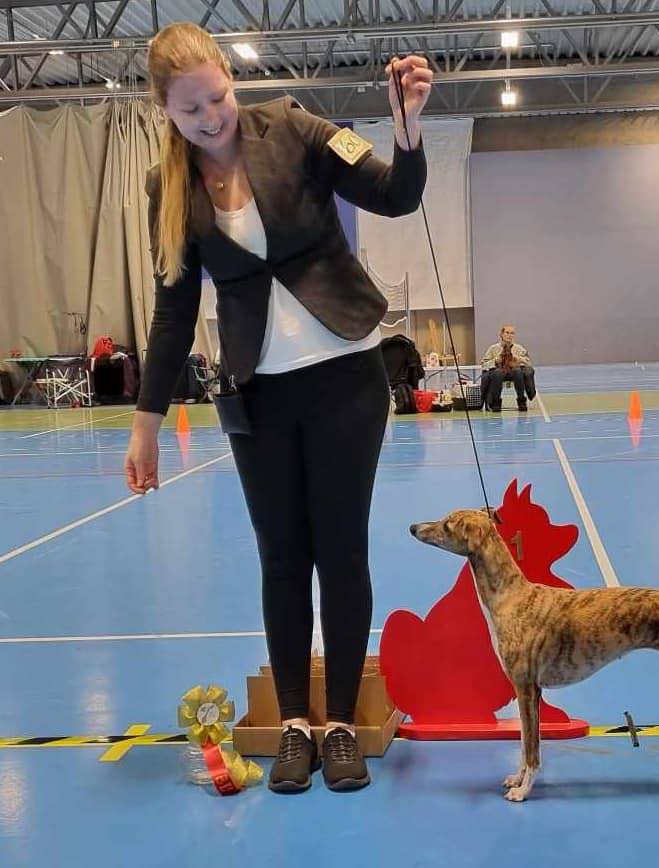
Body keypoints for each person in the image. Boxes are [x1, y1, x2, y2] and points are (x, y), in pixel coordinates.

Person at [123, 21, 432, 793]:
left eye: (217, 97)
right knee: (282, 557)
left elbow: (396, 196)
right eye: (191, 109)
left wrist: (406, 131)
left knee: (342, 552)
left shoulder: (293, 127)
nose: (211, 117)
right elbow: (171, 314)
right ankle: (295, 724)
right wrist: (146, 425)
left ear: (231, 80)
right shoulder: (168, 188)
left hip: (347, 379)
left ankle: (340, 727)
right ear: (165, 110)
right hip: (255, 394)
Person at [480, 325, 533, 411]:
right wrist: (495, 361)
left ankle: (521, 401)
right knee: (497, 373)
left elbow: (528, 363)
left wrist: (519, 359)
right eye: (507, 333)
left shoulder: (519, 348)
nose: (509, 335)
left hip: (514, 372)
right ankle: (496, 402)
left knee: (518, 371)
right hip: (499, 372)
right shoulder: (493, 348)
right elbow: (484, 364)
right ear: (501, 334)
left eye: (512, 333)